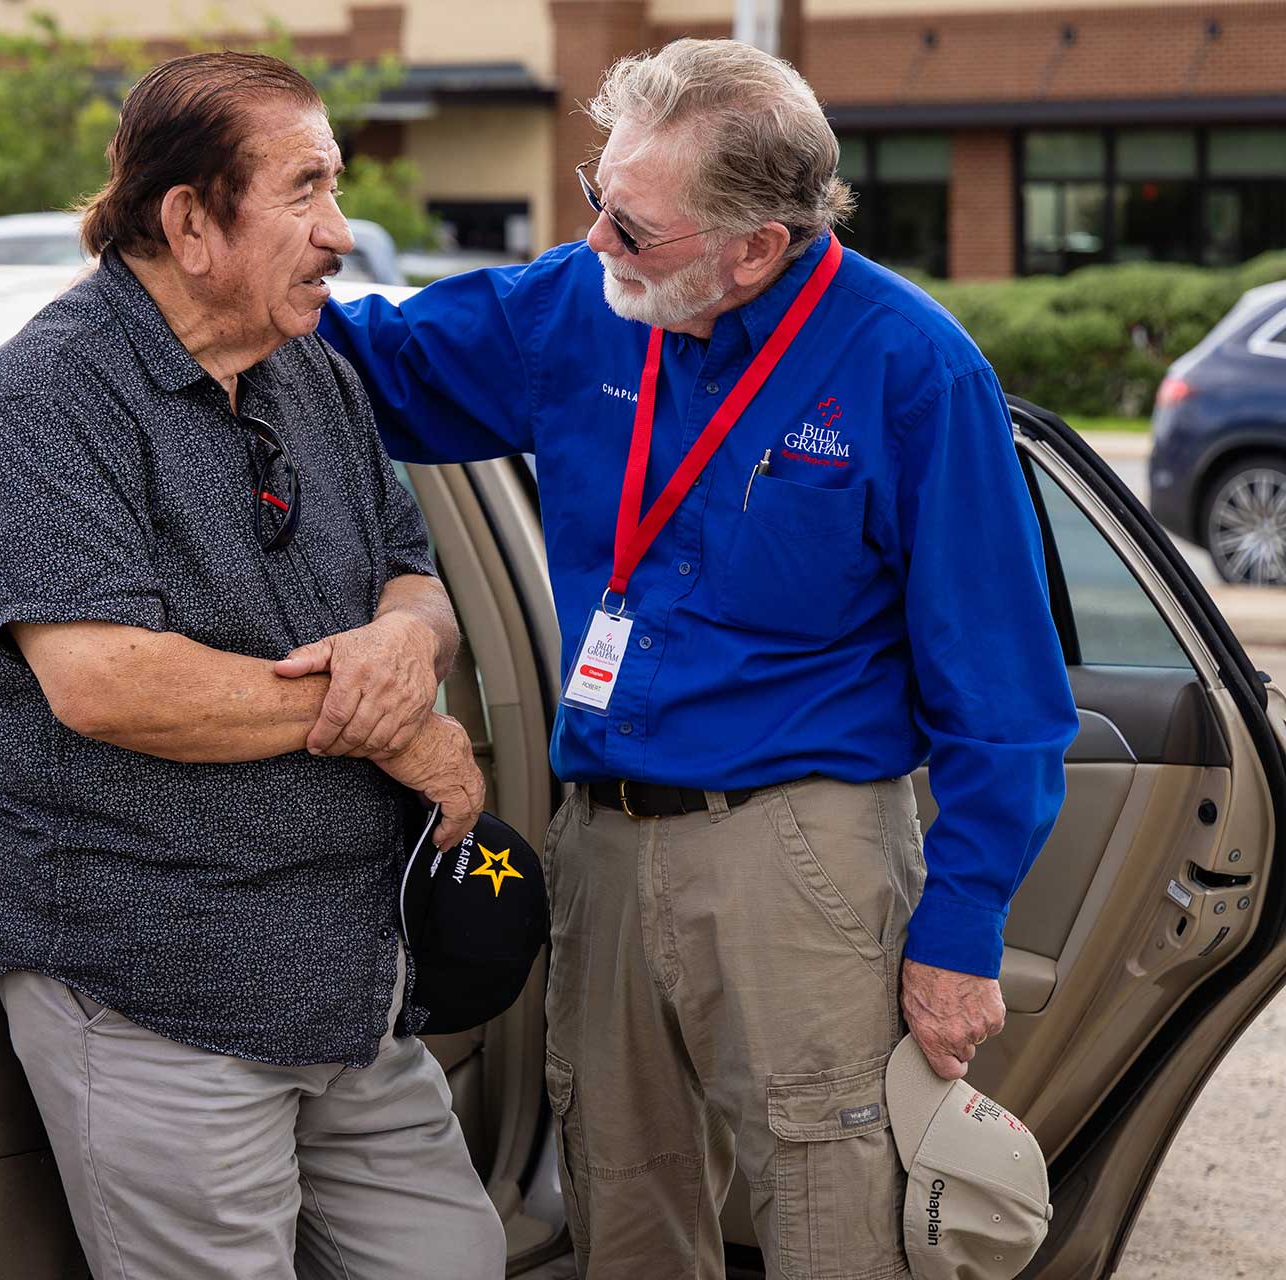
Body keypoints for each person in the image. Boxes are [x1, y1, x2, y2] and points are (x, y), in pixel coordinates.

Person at [317, 37, 1081, 1280]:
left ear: (756, 247)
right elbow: (370, 370)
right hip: (603, 838)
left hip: (800, 850)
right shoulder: (586, 300)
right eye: (598, 195)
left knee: (833, 1218)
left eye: (633, 225)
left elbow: (1004, 693)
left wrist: (962, 927)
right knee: (623, 1202)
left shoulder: (911, 368)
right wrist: (209, 274)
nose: (598, 238)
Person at [0, 50, 506, 1280]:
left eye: (334, 188)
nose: (339, 232)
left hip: (353, 976)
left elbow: (415, 578)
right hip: (157, 989)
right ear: (191, 221)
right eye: (305, 190)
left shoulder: (313, 371)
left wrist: (403, 641)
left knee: (453, 1255)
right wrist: (397, 723)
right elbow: (106, 679)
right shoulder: (47, 395)